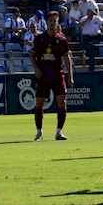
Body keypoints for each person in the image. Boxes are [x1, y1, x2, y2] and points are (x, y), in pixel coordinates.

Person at [31, 11, 73, 141]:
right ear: (47, 22)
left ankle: (59, 132)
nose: (52, 23)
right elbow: (32, 55)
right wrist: (36, 69)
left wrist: (70, 75)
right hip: (43, 75)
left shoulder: (62, 40)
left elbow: (67, 58)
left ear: (57, 23)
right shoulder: (39, 39)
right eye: (50, 21)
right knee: (39, 103)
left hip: (57, 75)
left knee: (61, 102)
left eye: (55, 21)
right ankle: (39, 132)